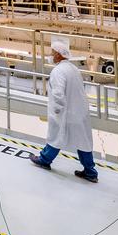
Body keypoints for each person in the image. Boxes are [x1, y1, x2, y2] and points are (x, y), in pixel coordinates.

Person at [29, 37, 97, 181]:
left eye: (53, 52)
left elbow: (58, 93)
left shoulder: (58, 71)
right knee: (83, 141)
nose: (51, 55)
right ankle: (90, 172)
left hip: (65, 112)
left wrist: (57, 111)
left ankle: (44, 160)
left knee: (56, 136)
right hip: (79, 112)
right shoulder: (73, 68)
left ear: (59, 54)